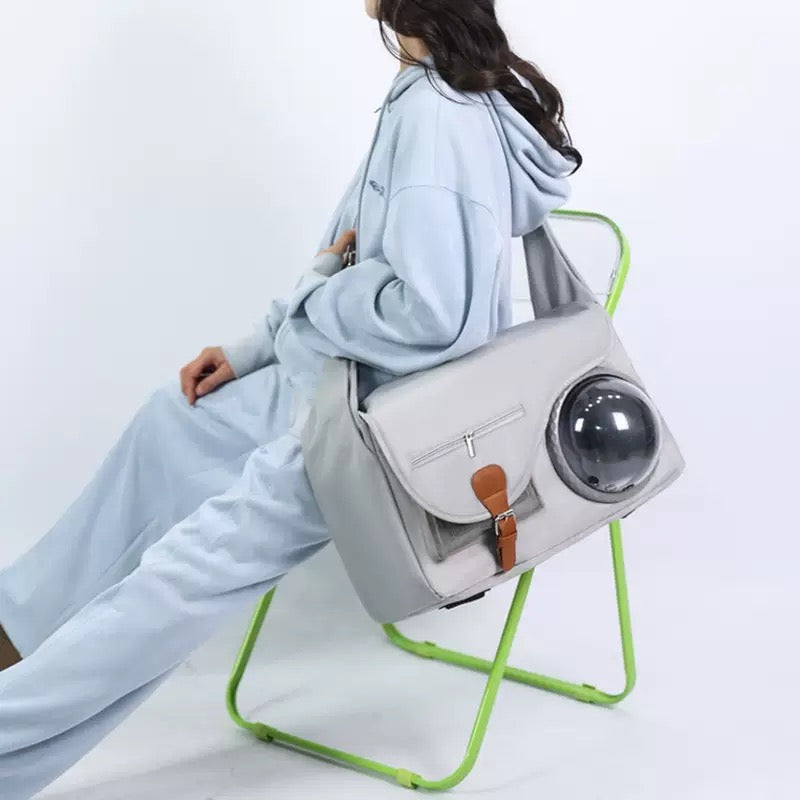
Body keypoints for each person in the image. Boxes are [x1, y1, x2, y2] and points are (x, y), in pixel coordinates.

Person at [0, 1, 581, 796]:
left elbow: (435, 314)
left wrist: (320, 297)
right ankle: (17, 632)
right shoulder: (424, 87)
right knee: (170, 426)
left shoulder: (438, 119)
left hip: (373, 422)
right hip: (333, 373)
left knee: (183, 573)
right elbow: (343, 251)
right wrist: (257, 345)